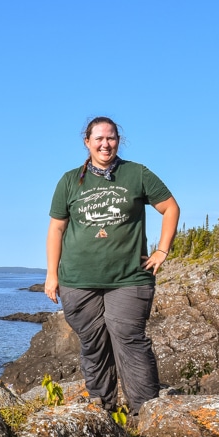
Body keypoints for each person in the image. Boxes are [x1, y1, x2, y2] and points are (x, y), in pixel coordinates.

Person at [45, 116, 180, 414]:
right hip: (78, 280)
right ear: (87, 142)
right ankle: (103, 413)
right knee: (93, 346)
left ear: (119, 141)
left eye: (111, 138)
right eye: (99, 139)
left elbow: (170, 207)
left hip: (129, 279)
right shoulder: (69, 181)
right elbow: (56, 229)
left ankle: (145, 415)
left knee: (130, 341)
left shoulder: (137, 174)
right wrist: (51, 275)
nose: (105, 144)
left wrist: (162, 251)